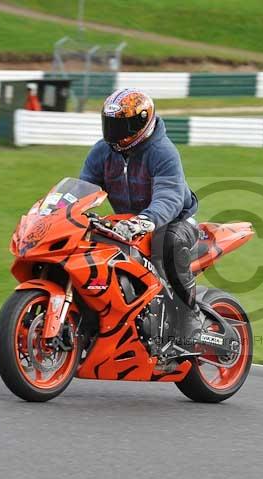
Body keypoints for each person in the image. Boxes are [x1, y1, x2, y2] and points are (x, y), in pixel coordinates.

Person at [79, 88, 203, 342]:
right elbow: (83, 190)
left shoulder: (163, 151)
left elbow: (169, 196)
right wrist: (65, 214)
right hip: (127, 225)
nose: (114, 133)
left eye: (121, 125)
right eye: (111, 124)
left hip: (173, 221)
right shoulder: (101, 152)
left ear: (141, 122)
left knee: (168, 242)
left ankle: (189, 314)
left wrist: (146, 220)